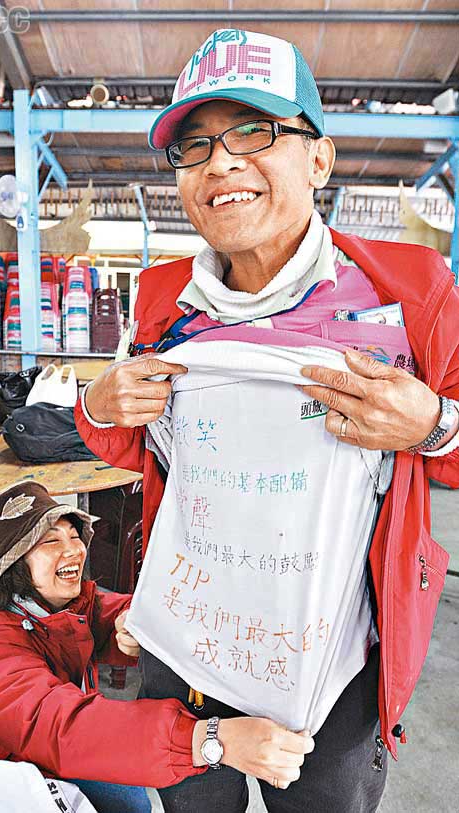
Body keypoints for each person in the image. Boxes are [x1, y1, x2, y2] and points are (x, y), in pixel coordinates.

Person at [75, 28, 459, 813]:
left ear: (319, 158)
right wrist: (97, 404)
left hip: (334, 658)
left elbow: (450, 451)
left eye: (255, 131)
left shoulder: (408, 292)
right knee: (191, 803)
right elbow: (131, 446)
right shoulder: (160, 299)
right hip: (190, 634)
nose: (221, 163)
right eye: (195, 145)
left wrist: (433, 425)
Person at [0, 480, 314, 812]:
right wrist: (210, 741)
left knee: (128, 796)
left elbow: (103, 613)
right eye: (49, 542)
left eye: (74, 536)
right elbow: (64, 726)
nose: (73, 549)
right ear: (13, 565)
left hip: (26, 751)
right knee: (127, 801)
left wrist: (133, 620)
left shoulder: (50, 603)